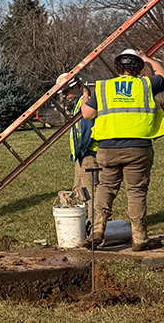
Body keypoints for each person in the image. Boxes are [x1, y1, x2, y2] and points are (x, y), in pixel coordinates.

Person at [80, 49, 164, 251]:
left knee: (106, 187)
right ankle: (139, 238)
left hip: (107, 148)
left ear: (118, 67)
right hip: (138, 149)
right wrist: (148, 58)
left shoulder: (104, 88)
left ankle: (97, 231)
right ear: (139, 68)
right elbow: (162, 74)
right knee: (136, 192)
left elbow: (87, 114)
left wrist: (86, 98)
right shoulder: (147, 84)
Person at [64, 75, 98, 224]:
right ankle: (84, 223)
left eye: (66, 91)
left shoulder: (86, 102)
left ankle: (96, 225)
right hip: (81, 155)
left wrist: (82, 150)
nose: (65, 96)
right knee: (79, 189)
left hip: (89, 153)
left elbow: (87, 130)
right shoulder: (79, 103)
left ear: (77, 87)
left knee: (90, 191)